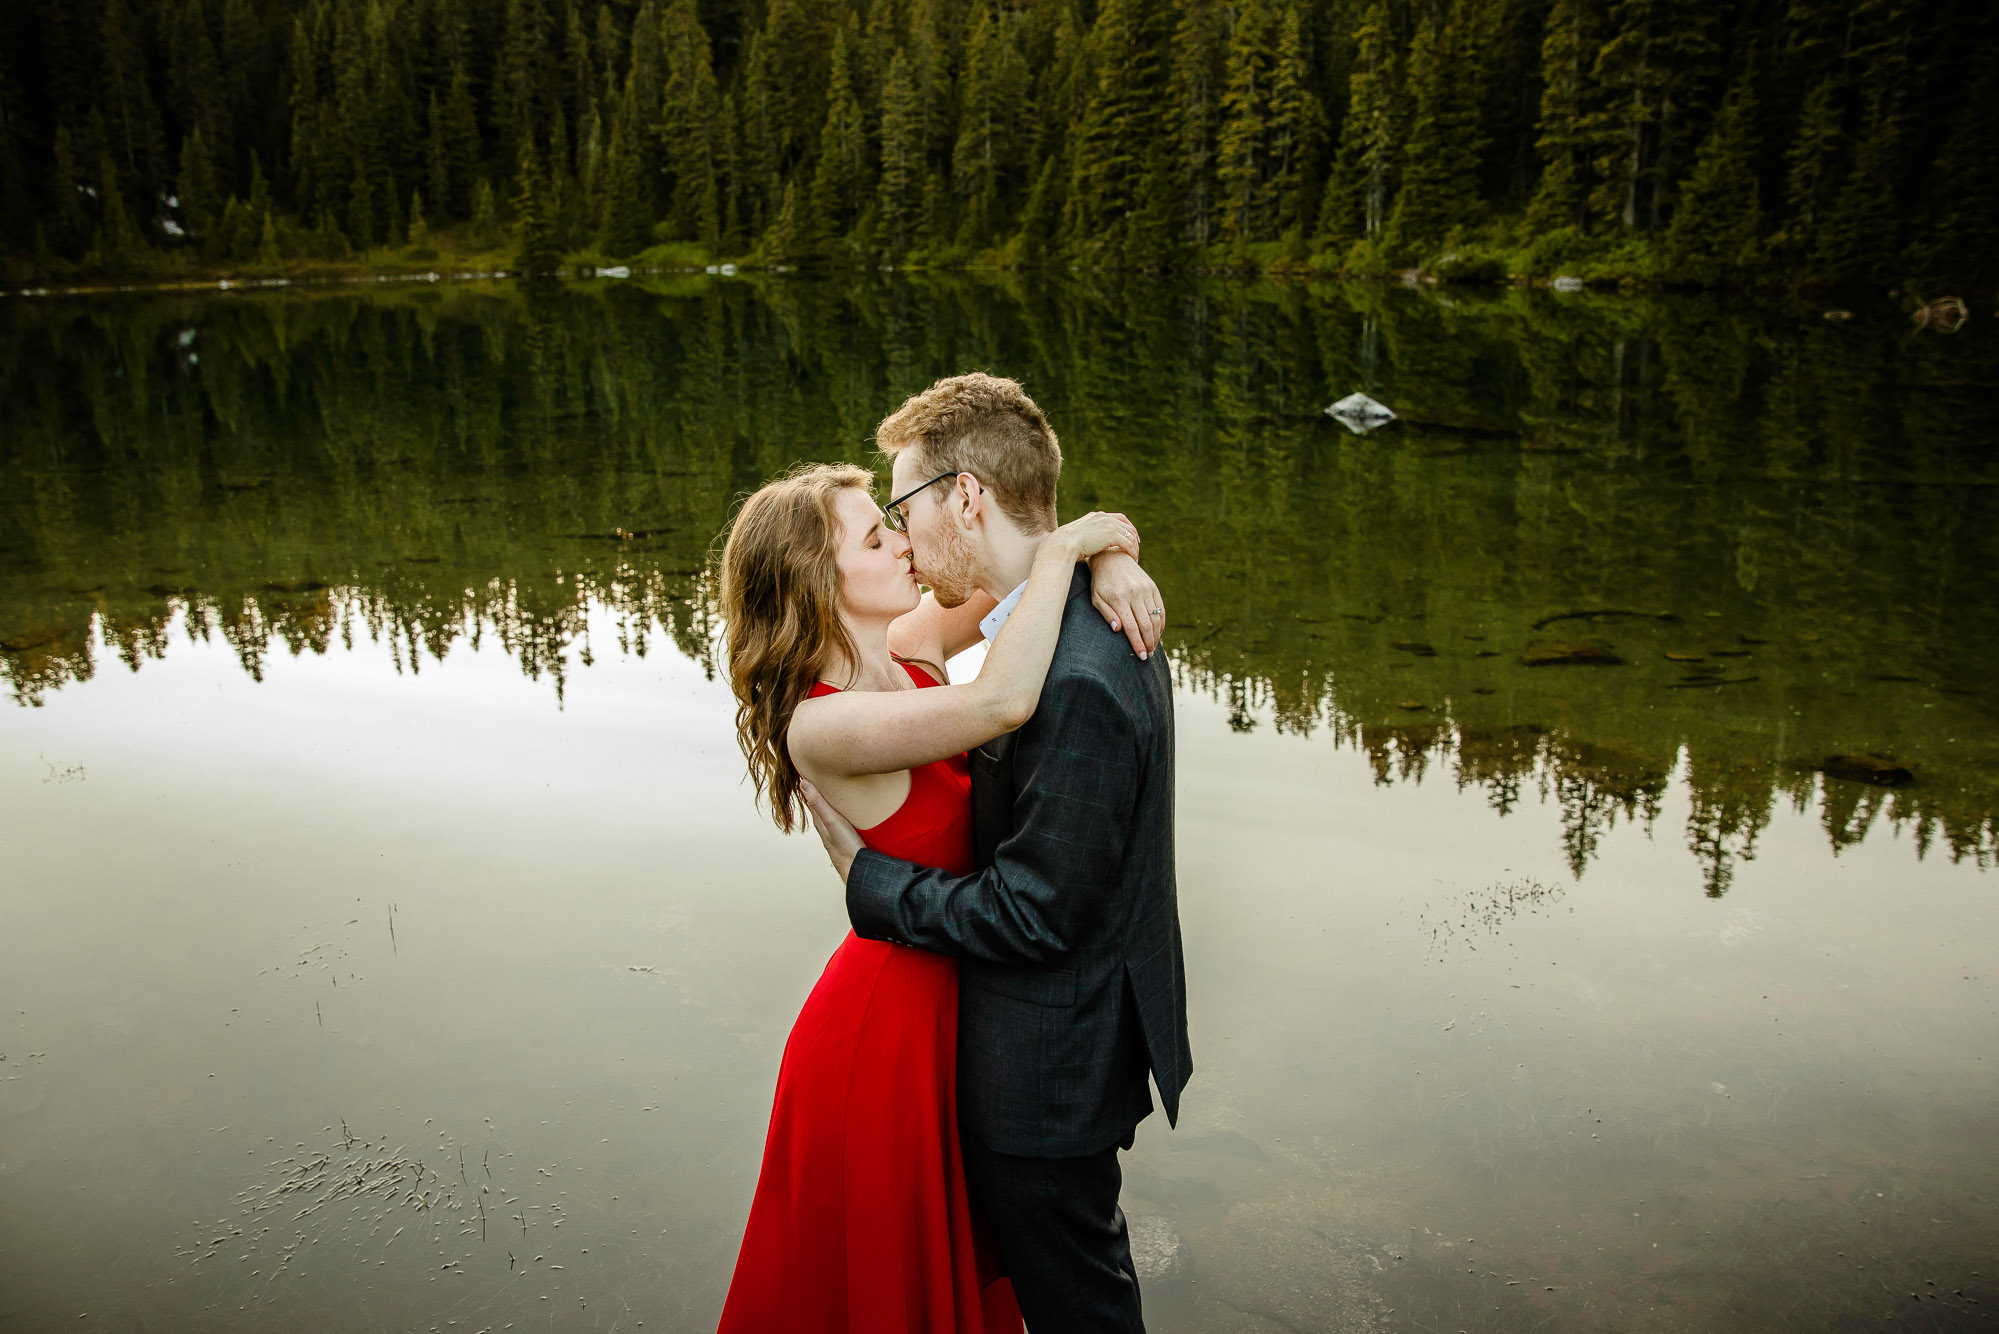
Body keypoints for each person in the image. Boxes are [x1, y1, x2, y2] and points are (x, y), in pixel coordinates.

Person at [713, 443, 1166, 1332]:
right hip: (885, 1029)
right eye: (874, 537)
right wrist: (1068, 549)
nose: (901, 543)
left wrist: (1104, 555)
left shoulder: (905, 644)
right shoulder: (824, 725)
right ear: (817, 576)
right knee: (882, 1280)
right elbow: (1000, 700)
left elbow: (1010, 583)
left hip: (956, 987)